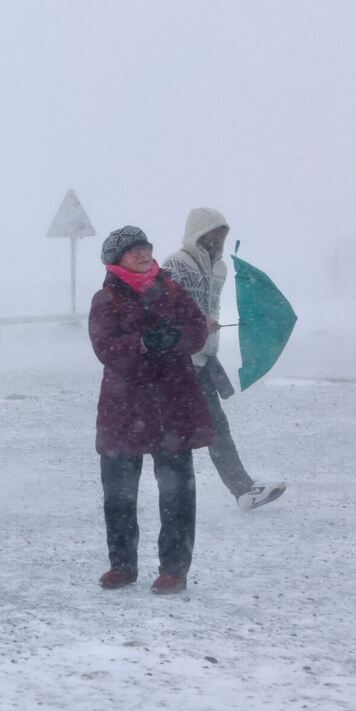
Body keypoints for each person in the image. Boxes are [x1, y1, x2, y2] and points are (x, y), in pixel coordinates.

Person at [88, 226, 213, 594]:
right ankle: (122, 565)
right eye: (133, 251)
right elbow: (104, 349)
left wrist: (178, 337)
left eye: (146, 248)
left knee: (177, 492)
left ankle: (174, 569)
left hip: (173, 404)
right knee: (119, 492)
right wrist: (141, 343)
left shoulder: (173, 290)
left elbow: (195, 331)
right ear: (115, 260)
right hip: (124, 407)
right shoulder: (106, 299)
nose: (144, 255)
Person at [162, 208, 287, 511]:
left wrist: (209, 325)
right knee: (173, 435)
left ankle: (243, 490)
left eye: (221, 233)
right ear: (198, 233)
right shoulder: (175, 265)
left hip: (205, 357)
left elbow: (210, 306)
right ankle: (164, 496)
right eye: (212, 233)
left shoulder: (220, 269)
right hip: (179, 361)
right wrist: (192, 326)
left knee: (215, 429)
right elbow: (162, 310)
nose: (217, 239)